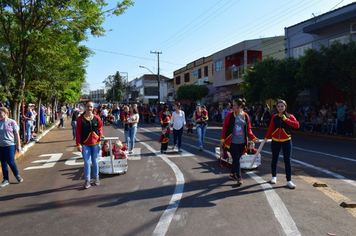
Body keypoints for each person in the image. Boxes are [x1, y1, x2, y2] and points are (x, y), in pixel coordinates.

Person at [220, 98, 258, 186]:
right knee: (236, 159)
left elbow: (249, 130)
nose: (232, 107)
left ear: (240, 106)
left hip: (242, 142)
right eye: (232, 105)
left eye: (234, 105)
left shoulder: (246, 116)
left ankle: (232, 173)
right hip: (232, 141)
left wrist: (254, 138)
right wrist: (222, 140)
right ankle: (239, 177)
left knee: (236, 159)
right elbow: (225, 128)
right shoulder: (230, 115)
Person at [265, 100, 299, 189]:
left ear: (285, 107)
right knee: (274, 158)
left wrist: (286, 119)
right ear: (276, 107)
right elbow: (271, 128)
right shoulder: (274, 117)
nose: (280, 108)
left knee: (287, 160)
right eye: (279, 106)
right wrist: (266, 138)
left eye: (282, 106)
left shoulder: (290, 116)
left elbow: (297, 125)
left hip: (287, 141)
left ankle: (289, 180)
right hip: (275, 141)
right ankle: (273, 176)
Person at [76, 101, 104, 189]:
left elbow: (100, 128)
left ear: (93, 108)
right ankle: (87, 180)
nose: (89, 108)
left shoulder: (97, 118)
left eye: (91, 107)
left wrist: (101, 136)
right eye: (88, 106)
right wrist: (78, 144)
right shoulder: (80, 119)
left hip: (96, 144)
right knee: (87, 162)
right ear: (85, 107)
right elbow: (78, 133)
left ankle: (96, 178)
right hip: (85, 144)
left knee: (95, 161)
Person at [0, 107, 23, 187]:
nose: (0, 114)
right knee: (3, 162)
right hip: (1, 146)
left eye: (0, 113)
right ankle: (6, 179)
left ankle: (17, 175)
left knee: (11, 161)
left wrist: (19, 145)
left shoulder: (12, 122)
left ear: (5, 113)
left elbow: (16, 134)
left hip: (10, 144)